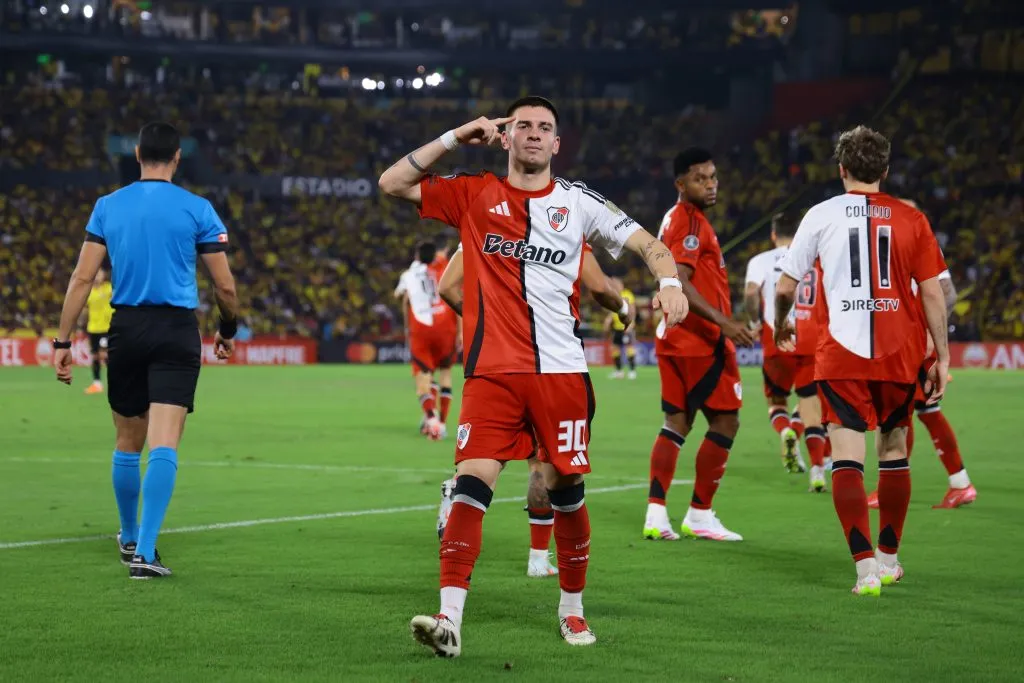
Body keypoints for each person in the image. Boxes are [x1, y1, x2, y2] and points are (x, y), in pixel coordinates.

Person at [378, 95, 688, 656]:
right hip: (492, 374)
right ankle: (450, 620)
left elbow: (649, 245)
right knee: (472, 485)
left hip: (561, 374)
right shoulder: (474, 195)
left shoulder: (579, 202)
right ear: (505, 136)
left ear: (557, 143)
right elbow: (393, 182)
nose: (534, 135)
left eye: (545, 128)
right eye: (523, 126)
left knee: (563, 489)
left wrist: (669, 284)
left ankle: (572, 611)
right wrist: (455, 135)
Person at [52, 122, 239, 580]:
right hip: (176, 328)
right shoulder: (198, 209)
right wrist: (227, 329)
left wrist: (62, 340)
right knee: (165, 441)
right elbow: (225, 285)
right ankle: (145, 554)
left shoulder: (107, 206)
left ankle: (129, 534)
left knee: (126, 440)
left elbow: (80, 278)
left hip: (126, 327)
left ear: (137, 154)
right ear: (177, 157)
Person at [774, 125, 950, 596]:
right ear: (886, 171)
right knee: (893, 450)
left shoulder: (819, 214)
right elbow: (932, 293)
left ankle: (865, 568)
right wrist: (943, 358)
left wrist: (779, 323)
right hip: (900, 352)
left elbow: (786, 287)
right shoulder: (912, 220)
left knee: (846, 457)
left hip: (841, 355)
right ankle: (891, 559)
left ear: (841, 169)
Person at [435, 240, 635, 579]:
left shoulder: (489, 220)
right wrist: (624, 309)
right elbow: (600, 287)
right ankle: (535, 558)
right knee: (528, 465)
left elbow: (448, 288)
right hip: (535, 369)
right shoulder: (557, 223)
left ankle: (536, 557)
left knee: (535, 465)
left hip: (521, 367)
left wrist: (489, 327)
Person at [642, 147, 757, 543]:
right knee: (726, 421)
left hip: (673, 337)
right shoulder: (689, 222)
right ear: (680, 184)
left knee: (677, 423)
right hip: (699, 342)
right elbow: (680, 280)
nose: (709, 185)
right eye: (699, 178)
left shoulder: (676, 218)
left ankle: (657, 514)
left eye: (712, 177)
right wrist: (724, 323)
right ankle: (700, 514)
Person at [743, 210, 828, 491]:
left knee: (776, 402)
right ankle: (817, 470)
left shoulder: (761, 261)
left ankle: (786, 431)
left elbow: (751, 293)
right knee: (810, 407)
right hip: (810, 341)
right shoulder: (815, 261)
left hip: (777, 341)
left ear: (773, 234)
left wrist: (754, 322)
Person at [394, 242, 460, 440]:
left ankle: (432, 420)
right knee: (445, 373)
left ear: (416, 255)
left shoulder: (409, 274)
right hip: (446, 325)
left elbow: (402, 298)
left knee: (423, 376)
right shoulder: (444, 268)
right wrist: (461, 331)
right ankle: (442, 422)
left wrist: (407, 324)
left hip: (422, 327)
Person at [83, 266, 114, 395]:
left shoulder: (109, 288)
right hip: (93, 328)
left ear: (104, 275)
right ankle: (97, 383)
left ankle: (114, 382)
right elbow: (85, 310)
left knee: (105, 354)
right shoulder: (88, 291)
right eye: (95, 274)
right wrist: (81, 327)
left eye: (99, 274)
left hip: (106, 328)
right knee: (95, 356)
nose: (97, 276)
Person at [604, 278, 637, 379]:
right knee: (615, 349)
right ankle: (619, 371)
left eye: (615, 283)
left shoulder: (627, 294)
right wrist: (608, 320)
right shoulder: (614, 295)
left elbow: (633, 310)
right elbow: (613, 311)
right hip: (617, 328)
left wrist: (630, 326)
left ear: (621, 284)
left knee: (629, 348)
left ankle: (632, 371)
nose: (614, 285)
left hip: (626, 327)